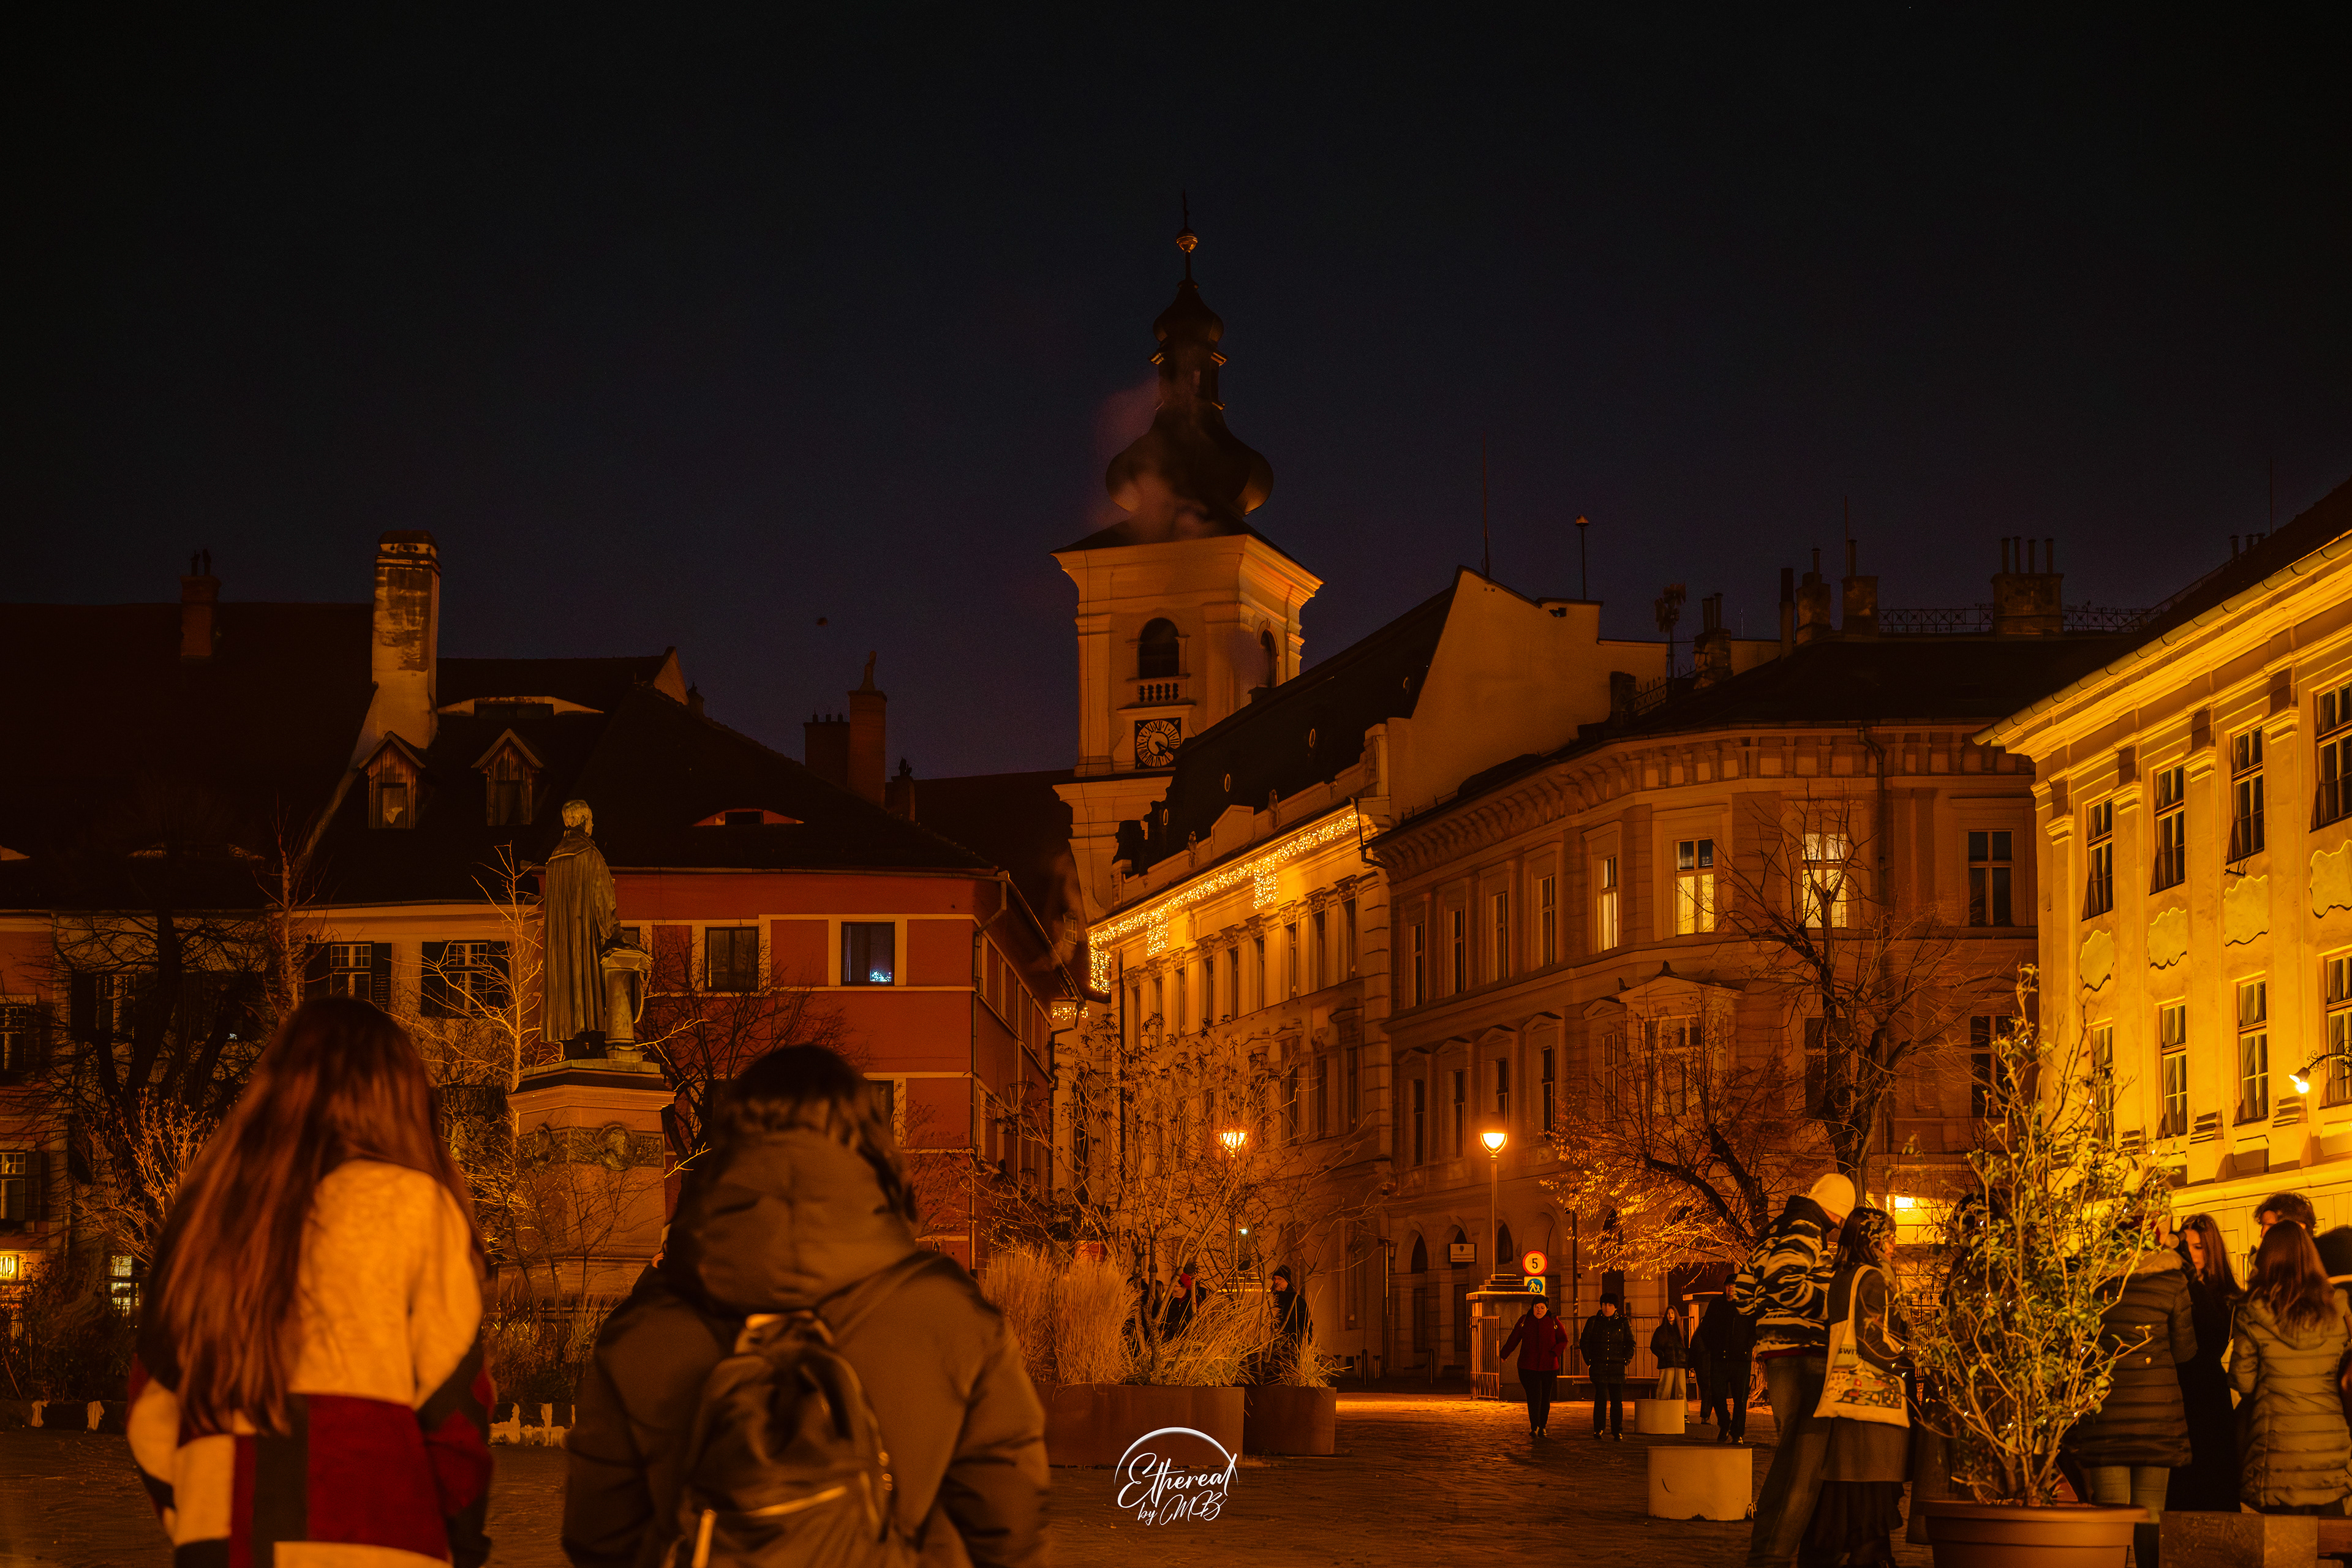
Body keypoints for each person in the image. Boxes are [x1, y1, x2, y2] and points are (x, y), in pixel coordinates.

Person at [563, 1046, 1047, 1567]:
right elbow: (1011, 1529)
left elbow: (598, 1538)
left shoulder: (645, 1331)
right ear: (872, 1145)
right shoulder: (950, 1318)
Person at [128, 998, 493, 1567]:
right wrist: (458, 1543)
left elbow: (151, 1405)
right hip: (380, 1536)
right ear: (402, 1098)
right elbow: (455, 1411)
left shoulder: (209, 1215)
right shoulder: (417, 1208)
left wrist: (197, 1513)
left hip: (223, 1537)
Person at [1733, 1170, 1852, 1568]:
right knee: (1803, 1462)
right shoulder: (1806, 1230)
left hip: (1776, 1353)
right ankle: (1772, 1554)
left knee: (1793, 1453)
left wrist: (1767, 1319)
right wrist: (1830, 1308)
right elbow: (1784, 1282)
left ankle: (1779, 1550)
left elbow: (1744, 1294)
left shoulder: (1774, 1231)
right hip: (1804, 1352)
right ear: (1837, 1211)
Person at [2063, 1227, 2195, 1568]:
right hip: (2158, 1411)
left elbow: (2077, 1347)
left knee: (2112, 1512)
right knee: (2152, 1513)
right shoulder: (2172, 1281)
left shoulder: (2092, 1285)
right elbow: (2185, 1350)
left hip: (2106, 1409)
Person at [1802, 1208, 1909, 1568]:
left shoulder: (1843, 1276)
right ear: (1870, 1240)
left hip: (1847, 1395)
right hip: (1873, 1399)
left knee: (1854, 1492)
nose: (1894, 1245)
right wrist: (1903, 1363)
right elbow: (1870, 1338)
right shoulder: (1874, 1277)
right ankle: (1871, 1558)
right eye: (1888, 1237)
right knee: (1873, 1489)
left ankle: (1866, 1556)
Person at [2231, 1219, 2352, 1517]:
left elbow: (2243, 1382)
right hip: (2330, 1442)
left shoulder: (2252, 1312)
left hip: (2277, 1448)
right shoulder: (2337, 1308)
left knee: (2283, 1540)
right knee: (2331, 1535)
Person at [2169, 1212, 2245, 1512]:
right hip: (2179, 1389)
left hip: (2208, 1390)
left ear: (2211, 1249)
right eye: (2186, 1246)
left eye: (2198, 1247)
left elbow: (2214, 1337)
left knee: (2212, 1476)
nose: (2192, 1254)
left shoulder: (2226, 1296)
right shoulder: (2174, 1286)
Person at [1499, 1298, 1570, 1438]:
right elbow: (1514, 1338)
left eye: (1542, 1308)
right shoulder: (1525, 1320)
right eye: (1536, 1307)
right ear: (1532, 1307)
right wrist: (1505, 1353)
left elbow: (1564, 1340)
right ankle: (1534, 1426)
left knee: (1545, 1398)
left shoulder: (1554, 1321)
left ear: (1547, 1309)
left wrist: (1555, 1353)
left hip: (1549, 1367)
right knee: (1534, 1396)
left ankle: (1542, 1426)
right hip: (1528, 1367)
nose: (1539, 1310)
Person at [1700, 1292, 1757, 1442]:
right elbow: (1705, 1328)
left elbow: (1755, 1328)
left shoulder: (1747, 1304)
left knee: (1740, 1398)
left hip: (1740, 1359)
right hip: (1720, 1358)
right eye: (1728, 1285)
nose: (1731, 1289)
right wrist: (1712, 1347)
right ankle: (1725, 1423)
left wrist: (1748, 1348)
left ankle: (1737, 1432)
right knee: (1717, 1395)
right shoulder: (1717, 1305)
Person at [1580, 1294, 1636, 1439]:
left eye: (1610, 1305)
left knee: (1617, 1400)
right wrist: (1589, 1360)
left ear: (1616, 1307)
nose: (1606, 1308)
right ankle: (1599, 1429)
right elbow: (1585, 1341)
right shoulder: (1594, 1321)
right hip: (1599, 1365)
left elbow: (1631, 1342)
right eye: (1604, 1304)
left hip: (1617, 1366)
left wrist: (1626, 1359)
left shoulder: (1623, 1322)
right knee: (1601, 1398)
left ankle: (1617, 1430)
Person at [1651, 1305, 1692, 1404]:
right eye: (1669, 1313)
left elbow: (1686, 1347)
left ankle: (1682, 1411)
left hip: (1680, 1363)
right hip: (1668, 1363)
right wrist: (1662, 1355)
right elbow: (1654, 1346)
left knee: (1681, 1389)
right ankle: (1662, 1409)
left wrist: (1686, 1358)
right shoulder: (1661, 1331)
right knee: (1665, 1388)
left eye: (1672, 1313)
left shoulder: (1681, 1331)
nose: (1671, 1315)